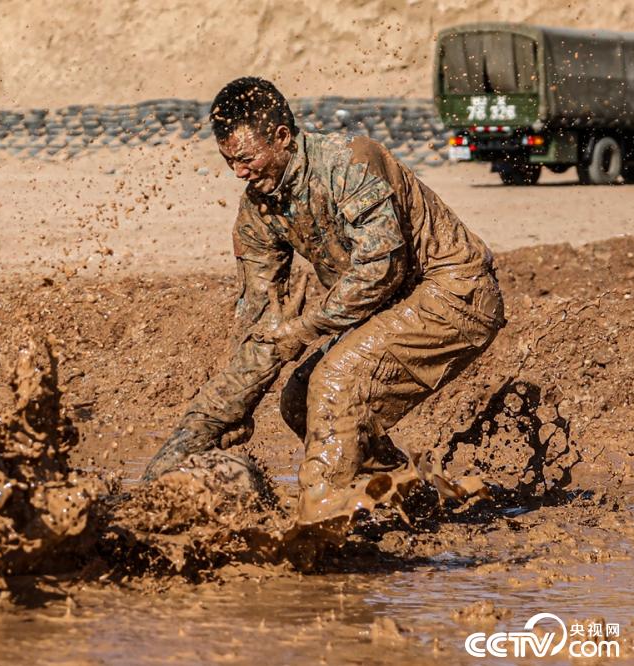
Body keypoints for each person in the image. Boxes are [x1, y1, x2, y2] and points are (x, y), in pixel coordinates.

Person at [143, 77, 505, 517]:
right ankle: (406, 494)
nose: (238, 172)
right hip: (387, 309)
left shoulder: (350, 160)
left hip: (453, 291)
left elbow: (380, 269)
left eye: (245, 158)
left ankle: (321, 517)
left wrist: (305, 328)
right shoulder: (258, 212)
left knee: (337, 380)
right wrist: (200, 428)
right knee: (296, 401)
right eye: (228, 161)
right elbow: (262, 331)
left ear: (281, 137)